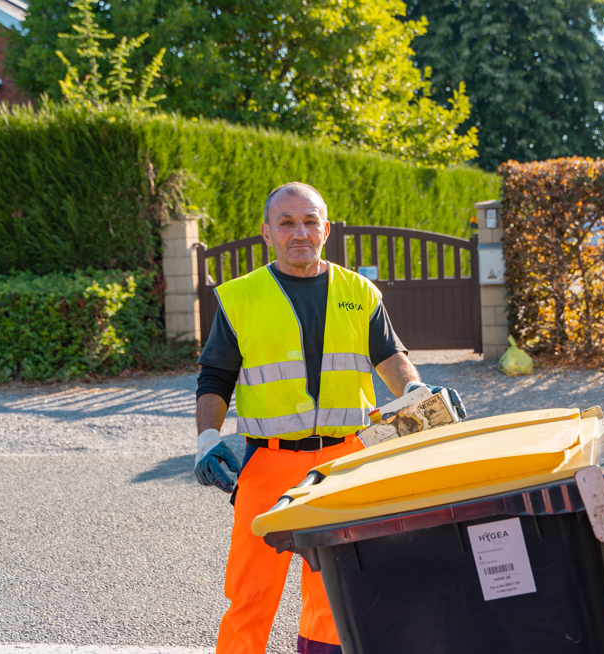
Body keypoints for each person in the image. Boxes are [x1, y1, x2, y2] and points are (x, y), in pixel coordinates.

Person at [193, 182, 463, 654]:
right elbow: (215, 376)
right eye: (287, 222)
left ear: (326, 229)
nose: (300, 231)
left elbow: (390, 357)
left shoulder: (358, 292)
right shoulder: (239, 298)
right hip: (268, 465)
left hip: (344, 461)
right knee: (251, 593)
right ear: (267, 232)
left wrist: (416, 390)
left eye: (309, 221)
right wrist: (206, 439)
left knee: (333, 593)